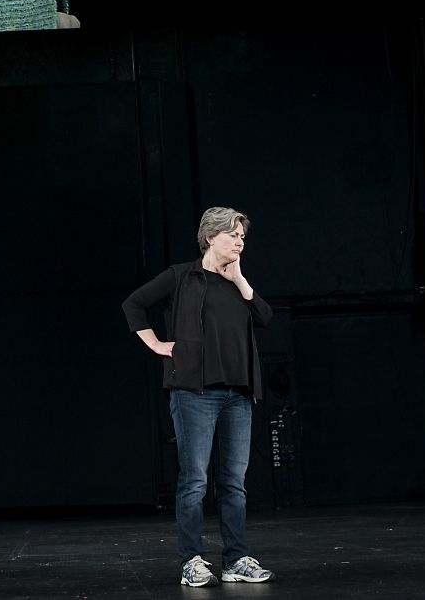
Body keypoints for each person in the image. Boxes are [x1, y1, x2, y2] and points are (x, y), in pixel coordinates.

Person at [121, 207, 275, 587]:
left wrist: (240, 280)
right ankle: (191, 560)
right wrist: (156, 344)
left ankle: (235, 560)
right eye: (233, 235)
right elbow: (133, 304)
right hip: (195, 393)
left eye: (242, 236)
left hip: (239, 393)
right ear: (210, 237)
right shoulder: (181, 276)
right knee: (194, 481)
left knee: (234, 482)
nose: (240, 242)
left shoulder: (236, 283)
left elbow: (265, 317)